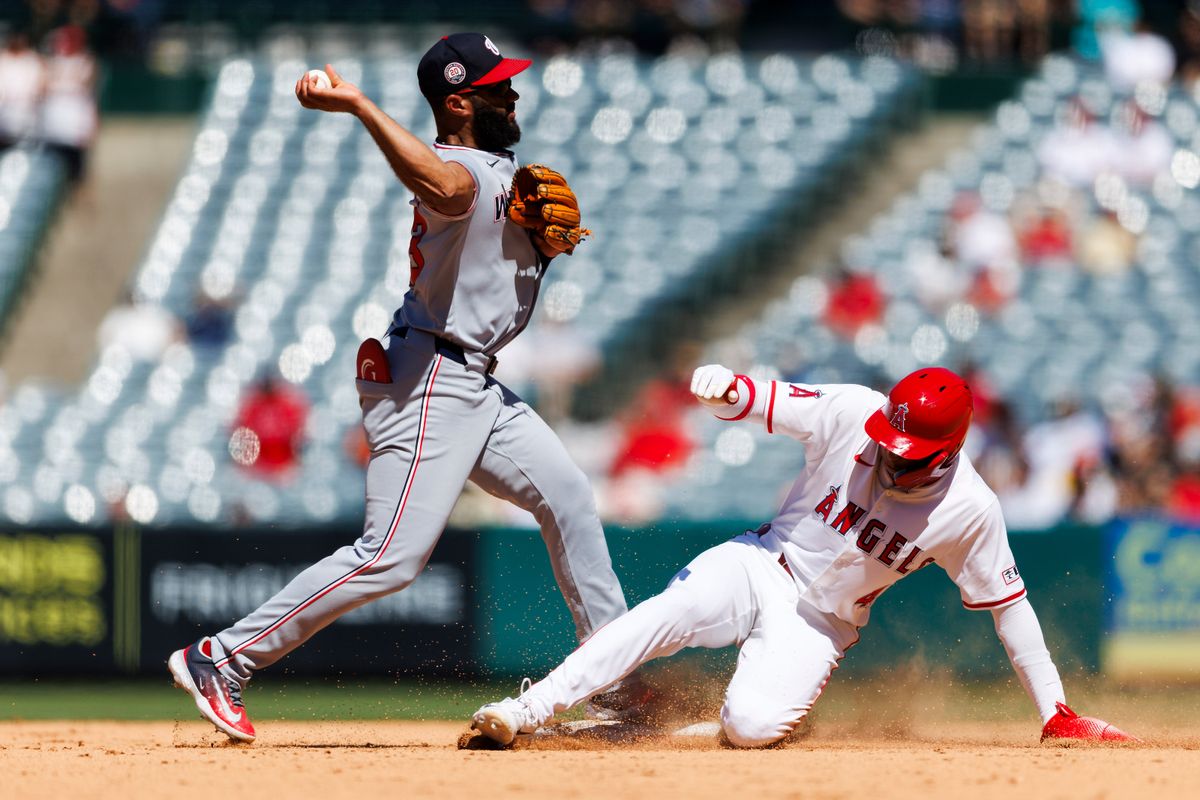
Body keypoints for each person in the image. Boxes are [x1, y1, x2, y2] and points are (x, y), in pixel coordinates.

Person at [168, 33, 632, 743]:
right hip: (430, 382)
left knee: (568, 497)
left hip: (476, 383)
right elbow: (445, 186)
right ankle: (222, 658)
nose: (513, 94)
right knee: (389, 557)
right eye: (497, 86)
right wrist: (357, 103)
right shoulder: (451, 169)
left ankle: (614, 687)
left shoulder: (491, 169)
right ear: (458, 101)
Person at [471, 365, 1135, 747]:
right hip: (761, 560)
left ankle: (662, 726)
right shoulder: (856, 411)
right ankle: (528, 709)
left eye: (908, 453)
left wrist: (1055, 710)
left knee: (752, 726)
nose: (887, 455)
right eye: (888, 440)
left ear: (950, 448)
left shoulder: (970, 509)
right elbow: (765, 400)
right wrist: (730, 390)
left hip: (819, 623)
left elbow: (1010, 612)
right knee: (662, 615)